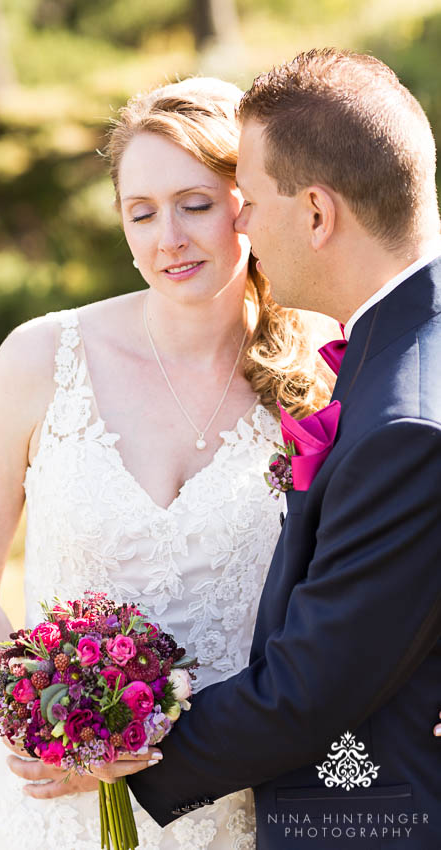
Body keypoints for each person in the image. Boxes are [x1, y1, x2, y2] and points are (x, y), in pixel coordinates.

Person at [0, 75, 336, 849]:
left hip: (242, 796)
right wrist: (51, 712)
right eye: (140, 213)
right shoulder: (40, 358)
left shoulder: (320, 369)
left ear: (246, 202)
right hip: (61, 801)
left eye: (195, 204)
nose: (167, 240)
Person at [88, 49, 441, 850]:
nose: (238, 222)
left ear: (316, 213)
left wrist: (114, 749)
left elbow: (307, 692)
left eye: (249, 198)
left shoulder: (403, 424)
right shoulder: (394, 353)